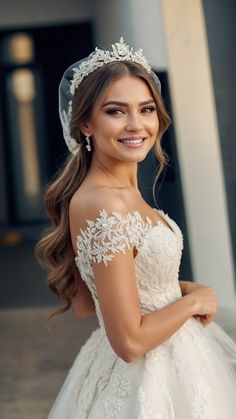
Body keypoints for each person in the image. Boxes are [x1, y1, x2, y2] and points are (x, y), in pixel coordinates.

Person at [36, 38, 236, 418]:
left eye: (146, 109)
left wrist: (176, 289)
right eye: (116, 111)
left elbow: (88, 301)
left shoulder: (116, 193)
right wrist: (193, 302)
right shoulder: (102, 201)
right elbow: (128, 341)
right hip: (146, 377)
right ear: (85, 123)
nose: (136, 124)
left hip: (179, 361)